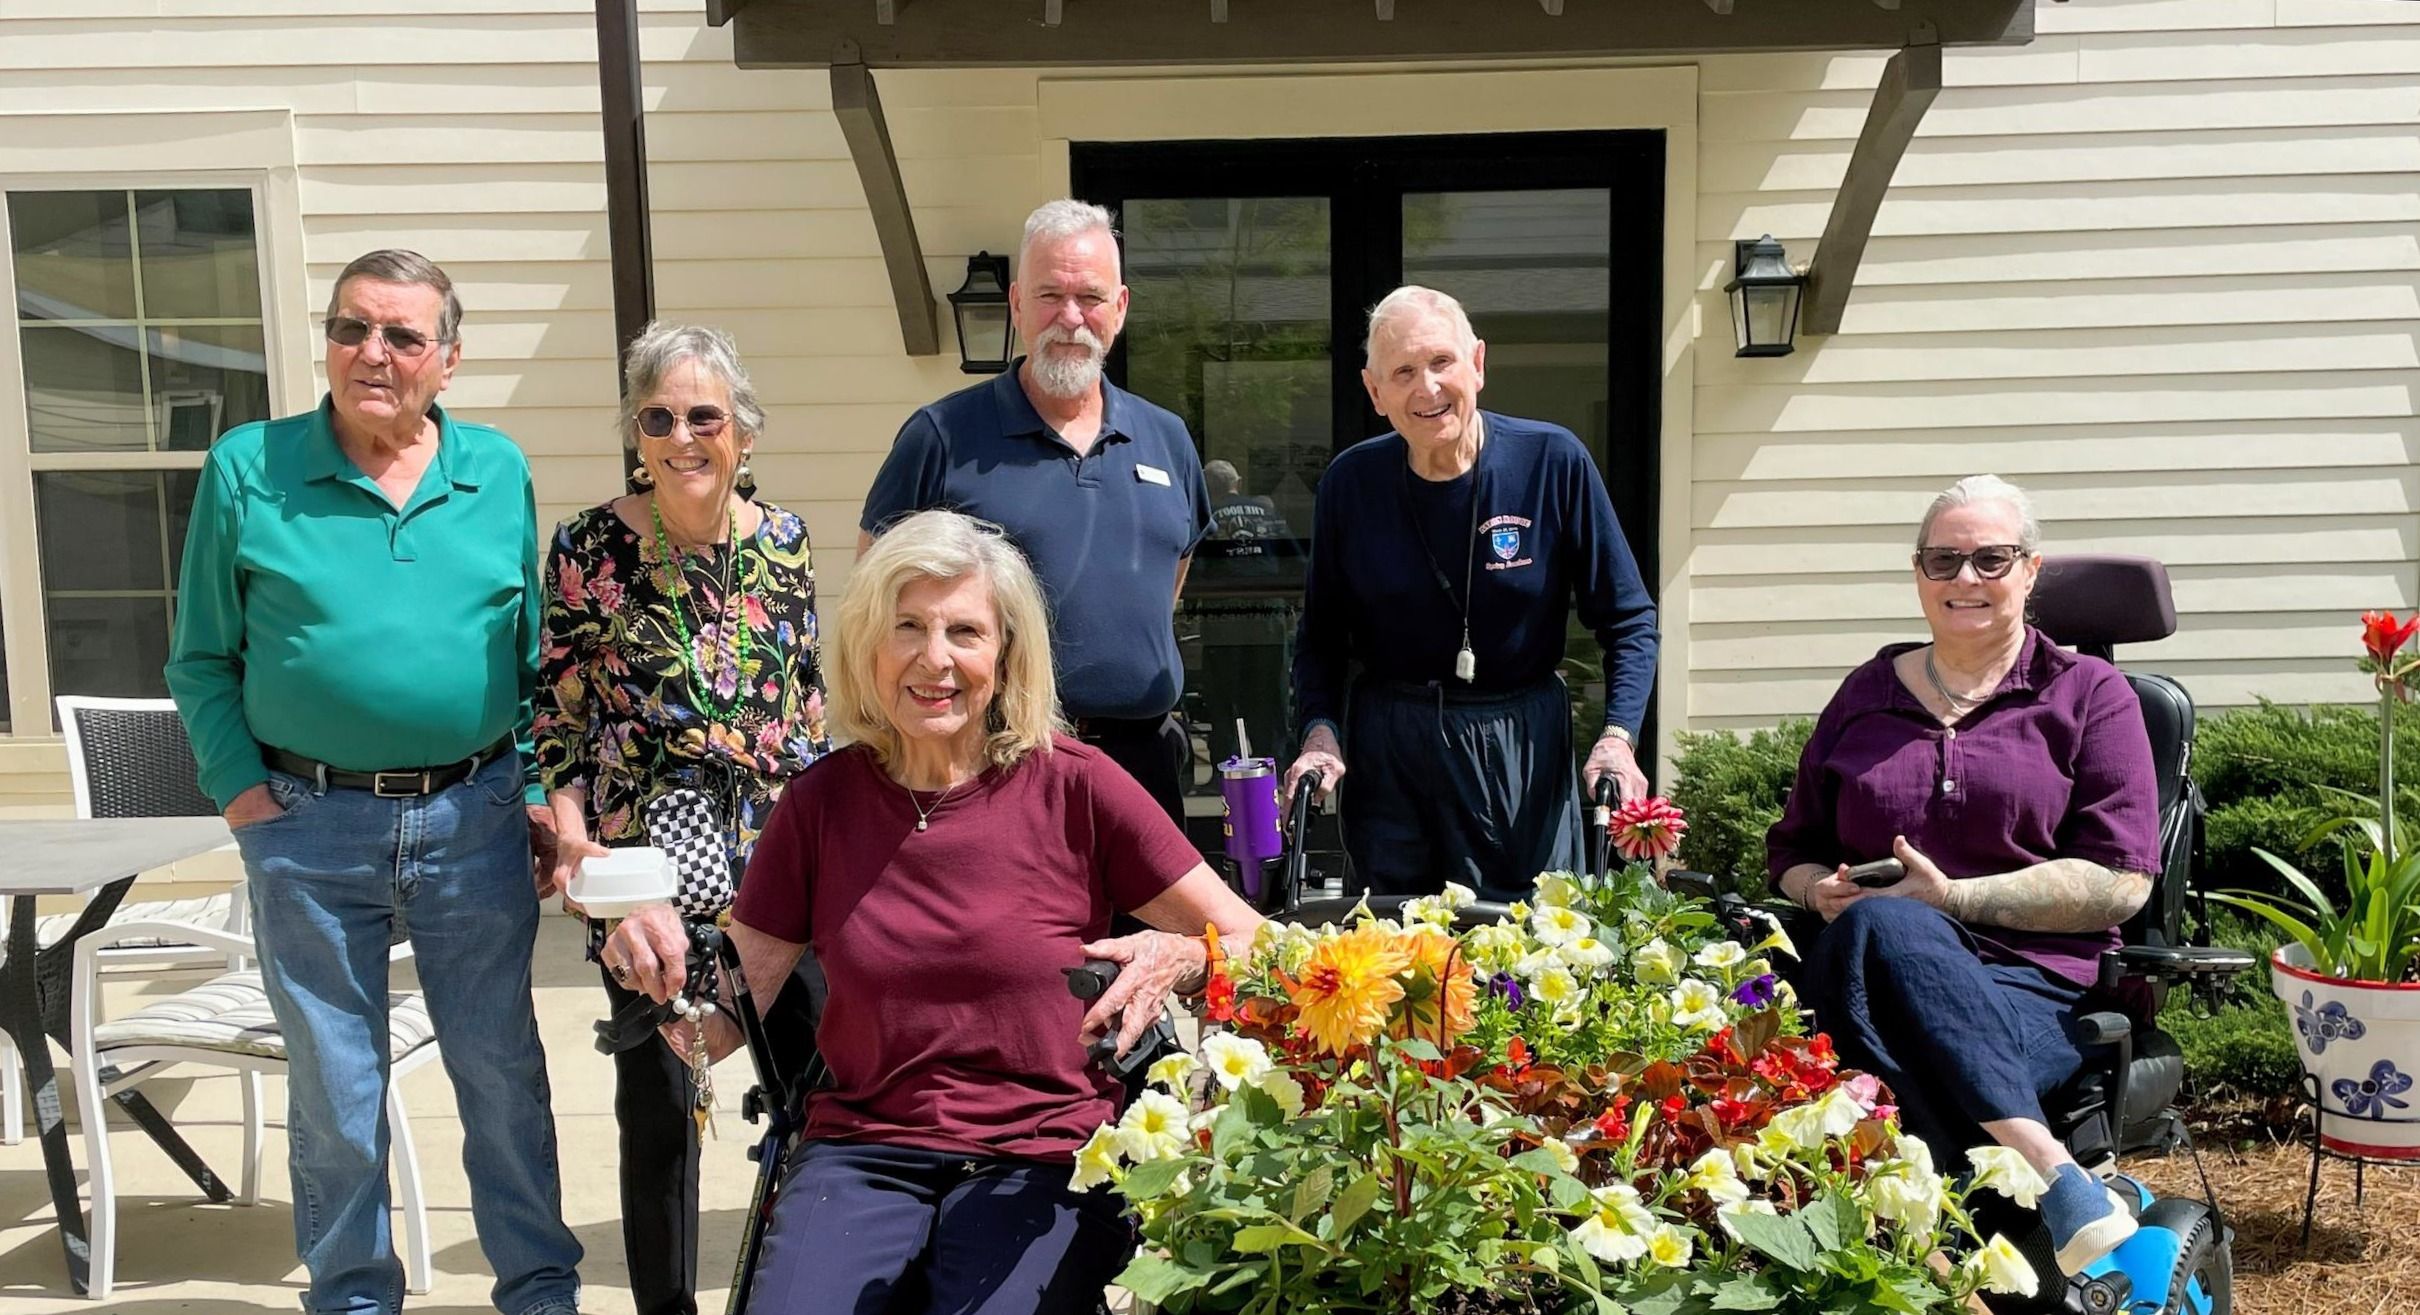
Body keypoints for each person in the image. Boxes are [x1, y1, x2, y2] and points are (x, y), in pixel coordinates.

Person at [603, 509, 1259, 1314]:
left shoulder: (1077, 786)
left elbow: (1254, 939)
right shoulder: (819, 803)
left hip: (1046, 1150)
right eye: (907, 626)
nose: (934, 658)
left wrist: (1177, 955)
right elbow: (724, 1017)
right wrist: (652, 964)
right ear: (870, 648)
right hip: (864, 1147)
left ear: (1006, 652)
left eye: (964, 631)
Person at [165, 249, 582, 1315]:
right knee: (339, 1094)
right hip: (308, 824)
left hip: (473, 815)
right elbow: (201, 658)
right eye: (353, 329)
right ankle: (354, 1299)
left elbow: (527, 657)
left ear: (448, 357)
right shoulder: (248, 468)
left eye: (401, 336)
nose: (373, 354)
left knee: (498, 1078)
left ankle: (539, 1292)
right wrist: (239, 793)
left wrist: (532, 788)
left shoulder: (496, 470)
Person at [1766, 474, 2162, 1277]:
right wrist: (1817, 890)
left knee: (1882, 1027)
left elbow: (2123, 881)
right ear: (1918, 574)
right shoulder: (1865, 695)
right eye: (1943, 561)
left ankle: (1929, 1270)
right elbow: (1790, 852)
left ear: (2031, 570)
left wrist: (1952, 898)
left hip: (2031, 987)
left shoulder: (2089, 694)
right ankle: (2054, 1173)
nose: (1965, 579)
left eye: (1991, 558)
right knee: (1875, 929)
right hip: (1860, 973)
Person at [534, 322, 828, 1315]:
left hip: (780, 862)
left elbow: (810, 705)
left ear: (742, 432)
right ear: (636, 432)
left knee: (817, 1092)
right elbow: (560, 724)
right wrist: (577, 850)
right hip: (647, 866)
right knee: (661, 1108)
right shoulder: (590, 545)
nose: (681, 435)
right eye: (658, 416)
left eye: (704, 414)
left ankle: (807, 1285)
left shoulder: (784, 541)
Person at [1283, 286, 1660, 902]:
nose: (1427, 388)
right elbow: (1321, 639)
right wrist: (1319, 732)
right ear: (1375, 392)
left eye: (1441, 362)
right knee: (1392, 949)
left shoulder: (1552, 461)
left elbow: (1628, 620)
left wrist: (1618, 738)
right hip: (1393, 747)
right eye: (1402, 372)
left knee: (1529, 947)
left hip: (1518, 741)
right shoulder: (1351, 483)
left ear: (1478, 364)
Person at [859, 199, 1212, 824]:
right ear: (1018, 304)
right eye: (1050, 295)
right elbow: (875, 602)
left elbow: (1169, 580)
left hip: (1143, 765)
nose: (1071, 318)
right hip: (995, 762)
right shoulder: (941, 437)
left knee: (1156, 927)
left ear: (1121, 309)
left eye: (1091, 298)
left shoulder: (1168, 440)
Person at [1204, 457, 1295, 546]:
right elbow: (1289, 546)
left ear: (1206, 489)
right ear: (1239, 483)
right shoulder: (1266, 509)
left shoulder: (1207, 517)